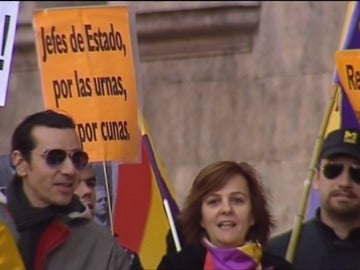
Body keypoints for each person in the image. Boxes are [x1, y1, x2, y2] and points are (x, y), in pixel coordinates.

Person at [3, 109, 130, 270]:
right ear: (20, 163)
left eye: (77, 158)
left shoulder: (102, 248)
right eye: (55, 158)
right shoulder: (2, 228)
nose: (70, 170)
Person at [157, 160, 292, 270]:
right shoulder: (175, 266)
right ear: (201, 218)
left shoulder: (280, 268)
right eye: (214, 202)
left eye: (237, 200)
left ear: (253, 215)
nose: (226, 209)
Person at [266, 128, 360, 270]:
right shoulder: (278, 254)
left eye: (357, 172)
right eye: (333, 169)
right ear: (316, 178)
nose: (344, 182)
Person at [76, 164, 144, 270]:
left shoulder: (122, 257)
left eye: (91, 184)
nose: (87, 191)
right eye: (75, 184)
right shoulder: (49, 252)